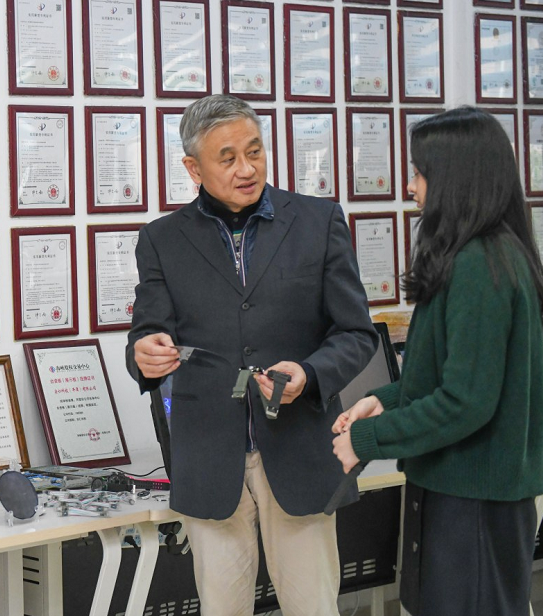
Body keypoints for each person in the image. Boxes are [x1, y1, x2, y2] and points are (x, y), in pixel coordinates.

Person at [126, 95, 377, 616]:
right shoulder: (162, 240)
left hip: (300, 451)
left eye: (255, 151)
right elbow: (147, 334)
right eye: (228, 158)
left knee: (313, 608)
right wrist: (143, 355)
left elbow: (356, 333)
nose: (247, 169)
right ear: (193, 168)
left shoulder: (318, 221)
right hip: (209, 457)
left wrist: (309, 373)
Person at [333, 106, 543, 616]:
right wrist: (383, 402)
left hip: (474, 504)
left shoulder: (480, 265)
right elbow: (451, 376)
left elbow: (465, 402)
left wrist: (366, 439)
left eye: (419, 173)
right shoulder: (479, 255)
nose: (410, 187)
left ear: (456, 179)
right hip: (459, 492)